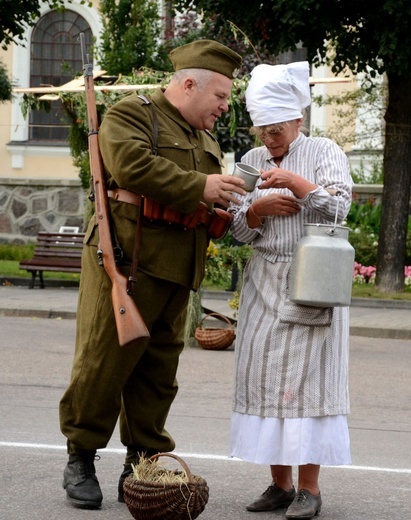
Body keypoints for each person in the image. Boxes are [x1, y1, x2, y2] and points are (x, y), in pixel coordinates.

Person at [59, 39, 245, 509]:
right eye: (220, 96)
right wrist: (202, 185)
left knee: (159, 372)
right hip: (127, 262)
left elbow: (200, 200)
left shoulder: (205, 139)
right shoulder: (132, 114)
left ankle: (139, 461)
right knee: (104, 362)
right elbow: (130, 166)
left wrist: (225, 208)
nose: (225, 106)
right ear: (189, 84)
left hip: (177, 267)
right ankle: (81, 455)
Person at [229, 62, 353, 519]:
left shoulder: (323, 150)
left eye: (277, 130)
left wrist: (298, 185)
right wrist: (257, 211)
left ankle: (310, 488)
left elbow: (340, 209)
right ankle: (280, 484)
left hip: (312, 280)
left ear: (297, 120)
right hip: (264, 283)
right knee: (264, 383)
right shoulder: (249, 161)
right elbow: (237, 229)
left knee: (306, 387)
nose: (269, 139)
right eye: (262, 130)